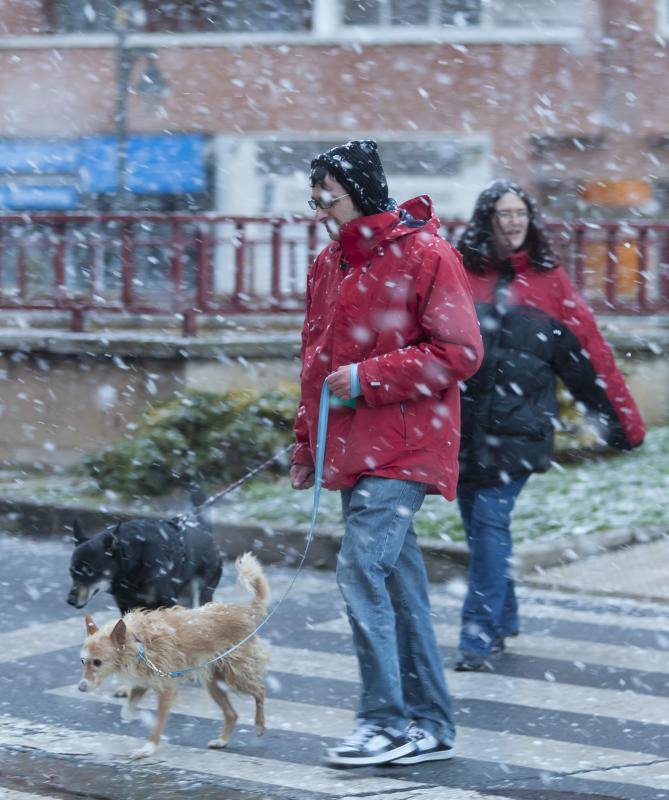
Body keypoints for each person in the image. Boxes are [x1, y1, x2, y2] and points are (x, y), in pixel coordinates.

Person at [290, 140, 483, 767]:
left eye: (329, 191)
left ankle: (385, 722)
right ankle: (430, 724)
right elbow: (316, 363)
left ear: (360, 190)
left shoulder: (428, 254)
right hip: (352, 448)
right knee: (399, 588)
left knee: (358, 569)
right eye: (315, 191)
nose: (319, 203)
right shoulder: (329, 262)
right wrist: (306, 442)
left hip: (406, 446)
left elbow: (460, 352)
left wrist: (370, 377)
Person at [454, 180, 646, 671]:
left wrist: (621, 421)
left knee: (490, 521)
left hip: (521, 430)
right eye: (504, 213)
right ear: (487, 219)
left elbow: (590, 357)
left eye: (521, 213)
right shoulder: (458, 273)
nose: (514, 221)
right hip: (463, 428)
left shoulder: (549, 281)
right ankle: (504, 615)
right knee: (479, 529)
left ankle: (478, 635)